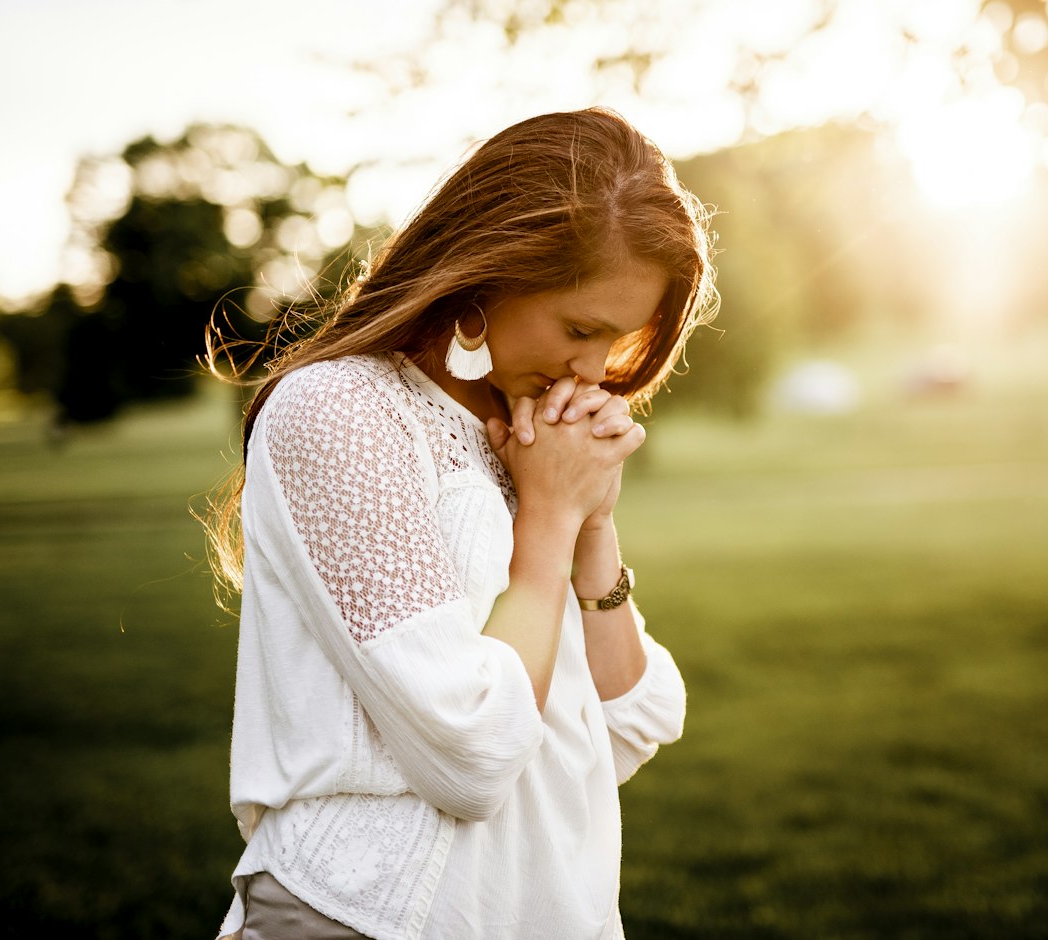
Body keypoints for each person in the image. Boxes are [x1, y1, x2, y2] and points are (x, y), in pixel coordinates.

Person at [204, 107, 718, 940]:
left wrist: (591, 521)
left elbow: (632, 720)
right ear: (487, 276)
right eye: (579, 328)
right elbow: (474, 750)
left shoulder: (527, 434)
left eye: (617, 340)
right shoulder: (342, 413)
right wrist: (549, 519)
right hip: (361, 918)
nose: (594, 370)